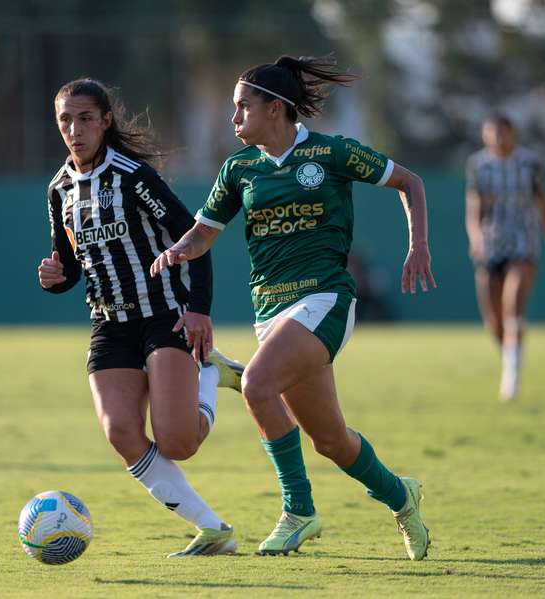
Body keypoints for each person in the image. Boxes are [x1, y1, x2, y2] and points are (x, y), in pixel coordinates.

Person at [151, 55, 435, 559]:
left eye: (243, 106)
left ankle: (298, 510)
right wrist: (178, 249)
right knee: (331, 441)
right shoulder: (239, 168)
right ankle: (402, 496)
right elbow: (204, 234)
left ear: (276, 108)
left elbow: (409, 182)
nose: (234, 117)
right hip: (271, 311)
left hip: (325, 297)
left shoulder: (332, 153)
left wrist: (419, 246)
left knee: (260, 385)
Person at [37, 78, 244, 557]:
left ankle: (211, 371)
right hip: (109, 323)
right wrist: (54, 276)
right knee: (121, 432)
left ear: (106, 121)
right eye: (65, 120)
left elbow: (196, 240)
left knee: (178, 442)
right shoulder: (59, 187)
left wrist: (198, 310)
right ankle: (214, 530)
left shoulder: (133, 177)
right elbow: (70, 265)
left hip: (164, 316)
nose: (75, 129)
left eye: (85, 118)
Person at [465, 112, 545, 401]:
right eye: (491, 133)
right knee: (493, 321)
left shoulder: (529, 163)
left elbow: (544, 207)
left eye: (502, 132)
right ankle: (511, 357)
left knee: (513, 307)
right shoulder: (478, 165)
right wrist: (476, 238)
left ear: (513, 134)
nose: (497, 139)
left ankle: (512, 378)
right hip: (492, 245)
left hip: (523, 244)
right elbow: (474, 209)